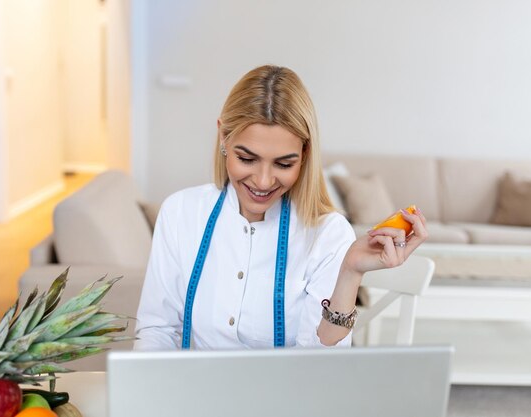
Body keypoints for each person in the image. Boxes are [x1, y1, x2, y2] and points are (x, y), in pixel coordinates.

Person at [134, 65, 428, 350]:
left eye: (284, 164)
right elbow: (157, 330)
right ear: (223, 137)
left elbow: (319, 370)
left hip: (287, 398)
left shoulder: (328, 234)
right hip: (191, 396)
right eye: (247, 159)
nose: (263, 181)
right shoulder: (180, 213)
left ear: (305, 154)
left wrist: (349, 273)